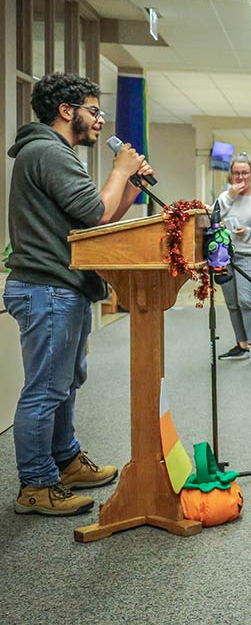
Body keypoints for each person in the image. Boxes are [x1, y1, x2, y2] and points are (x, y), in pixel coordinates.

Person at [5, 72, 149, 515]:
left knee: (66, 384)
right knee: (46, 390)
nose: (101, 121)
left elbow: (99, 220)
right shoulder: (48, 152)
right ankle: (36, 485)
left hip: (62, 287)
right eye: (94, 110)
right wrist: (120, 169)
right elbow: (94, 210)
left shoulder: (55, 153)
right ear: (66, 112)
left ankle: (65, 461)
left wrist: (131, 186)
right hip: (47, 288)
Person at [214, 153, 251, 367]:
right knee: (232, 303)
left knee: (246, 299)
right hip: (224, 255)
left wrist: (247, 232)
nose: (240, 178)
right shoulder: (224, 197)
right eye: (236, 173)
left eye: (245, 173)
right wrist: (229, 196)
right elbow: (212, 218)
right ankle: (242, 343)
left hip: (248, 255)